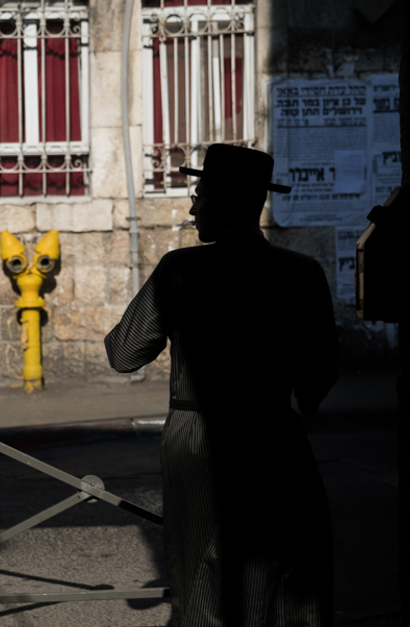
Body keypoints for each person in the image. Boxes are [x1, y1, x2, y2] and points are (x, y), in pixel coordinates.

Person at [104, 144, 337, 626]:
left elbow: (124, 354)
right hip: (274, 432)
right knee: (282, 566)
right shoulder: (302, 274)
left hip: (198, 437)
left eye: (200, 195)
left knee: (202, 569)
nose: (193, 206)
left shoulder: (181, 270)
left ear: (226, 202)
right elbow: (318, 377)